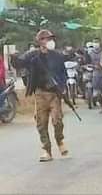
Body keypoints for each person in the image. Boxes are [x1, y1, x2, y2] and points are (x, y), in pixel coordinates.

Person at [15, 30, 69, 162]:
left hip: (54, 94)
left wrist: (62, 87)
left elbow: (63, 73)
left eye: (51, 38)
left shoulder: (57, 56)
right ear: (40, 41)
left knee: (57, 121)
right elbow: (19, 63)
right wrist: (14, 57)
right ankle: (47, 150)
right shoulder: (33, 55)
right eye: (46, 38)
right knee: (41, 123)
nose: (50, 41)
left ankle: (60, 141)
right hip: (40, 93)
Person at [88, 42, 102, 114]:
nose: (96, 44)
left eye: (97, 41)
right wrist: (93, 66)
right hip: (96, 74)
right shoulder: (90, 54)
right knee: (97, 93)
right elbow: (86, 62)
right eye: (95, 42)